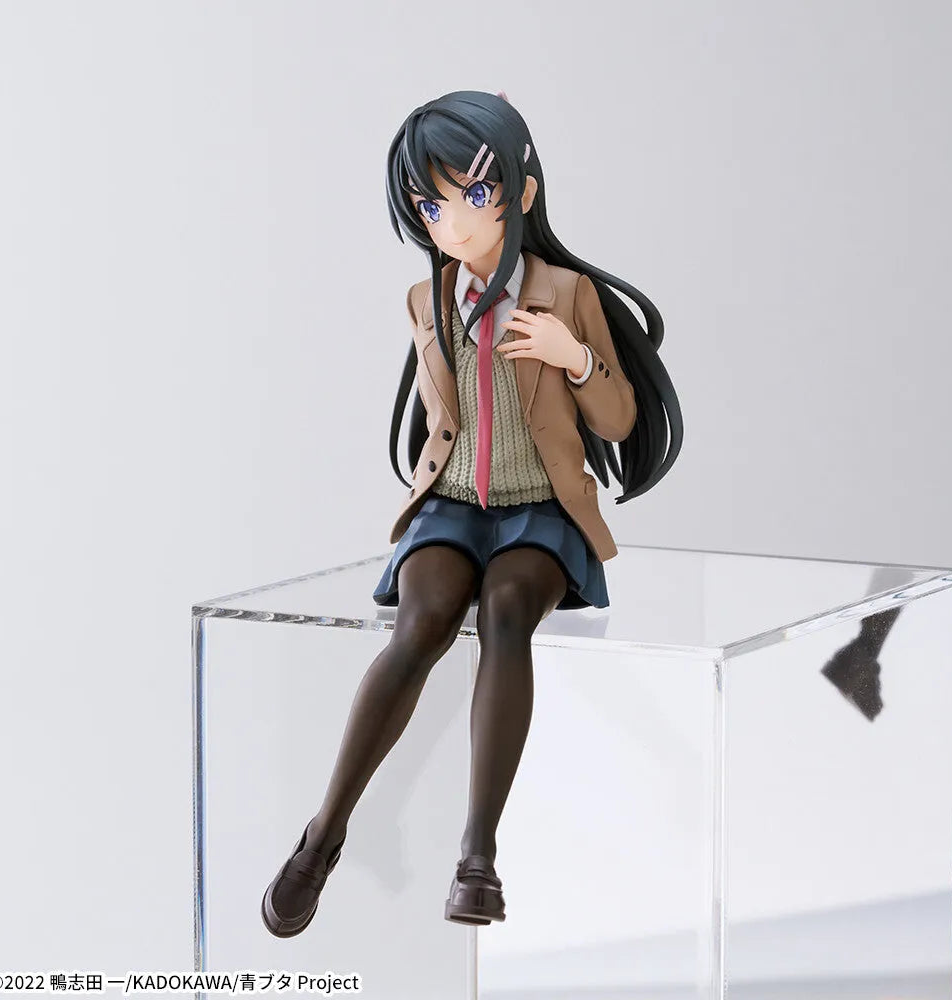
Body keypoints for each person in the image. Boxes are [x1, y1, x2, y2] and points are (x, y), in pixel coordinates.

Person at [262, 89, 683, 937]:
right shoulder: (430, 299)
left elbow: (618, 421)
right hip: (453, 505)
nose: (450, 223)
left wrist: (574, 357)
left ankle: (478, 854)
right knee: (419, 626)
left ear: (520, 194)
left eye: (473, 195)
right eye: (430, 205)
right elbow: (442, 416)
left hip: (539, 511)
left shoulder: (565, 293)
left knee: (506, 614)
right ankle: (324, 835)